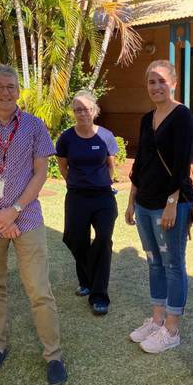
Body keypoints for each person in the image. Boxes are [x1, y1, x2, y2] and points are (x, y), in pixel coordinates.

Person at [0, 64, 67, 385]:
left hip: (27, 219)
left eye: (10, 86)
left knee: (39, 289)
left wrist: (14, 210)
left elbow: (40, 173)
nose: (5, 92)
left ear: (18, 90)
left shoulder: (34, 126)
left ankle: (54, 355)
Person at [125, 59, 193, 354]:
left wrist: (172, 203)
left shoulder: (182, 116)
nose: (156, 87)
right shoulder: (147, 118)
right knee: (153, 261)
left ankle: (172, 328)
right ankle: (156, 319)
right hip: (144, 203)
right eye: (151, 81)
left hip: (170, 204)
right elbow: (141, 163)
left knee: (173, 264)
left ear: (174, 83)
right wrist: (131, 201)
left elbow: (182, 165)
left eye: (161, 81)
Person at [56, 90, 118, 316]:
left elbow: (111, 165)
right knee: (74, 238)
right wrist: (75, 182)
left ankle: (99, 294)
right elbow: (63, 167)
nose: (82, 113)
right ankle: (87, 279)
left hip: (103, 197)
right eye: (77, 109)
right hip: (77, 196)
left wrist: (103, 182)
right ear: (74, 112)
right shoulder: (66, 138)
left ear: (94, 111)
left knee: (103, 239)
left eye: (86, 108)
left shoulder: (106, 136)